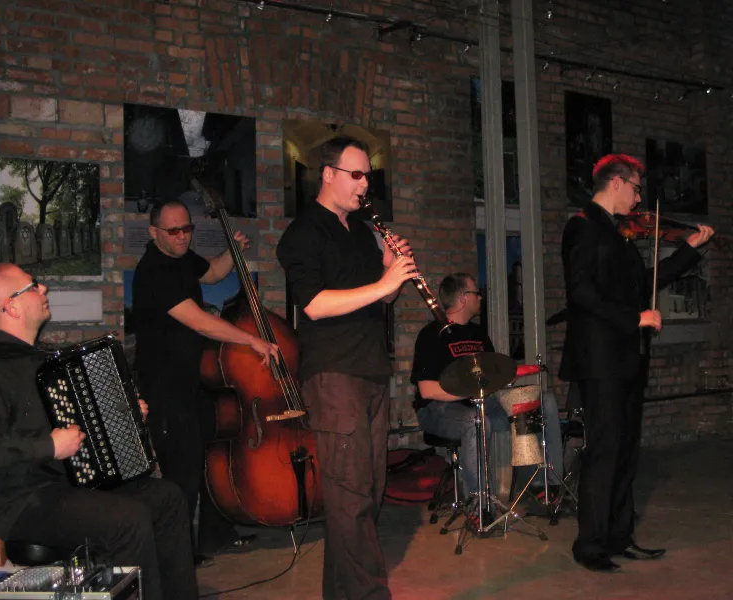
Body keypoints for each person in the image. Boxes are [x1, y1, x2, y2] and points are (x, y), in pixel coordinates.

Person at [0, 264, 197, 600]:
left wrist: (124, 413)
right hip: (21, 500)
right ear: (11, 306)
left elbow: (81, 422)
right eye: (32, 287)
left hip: (67, 486)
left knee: (167, 499)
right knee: (128, 519)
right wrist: (48, 447)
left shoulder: (41, 359)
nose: (43, 290)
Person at [277, 136, 418, 600]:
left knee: (367, 492)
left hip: (371, 368)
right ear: (328, 173)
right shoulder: (302, 234)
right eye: (355, 175)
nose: (364, 185)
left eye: (367, 177)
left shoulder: (361, 230)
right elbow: (314, 305)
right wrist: (384, 286)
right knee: (351, 494)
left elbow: (381, 298)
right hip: (334, 373)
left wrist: (390, 270)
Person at [560, 154, 714, 572]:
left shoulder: (620, 235)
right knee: (604, 452)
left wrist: (688, 249)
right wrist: (636, 318)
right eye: (636, 187)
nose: (639, 196)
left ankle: (618, 536)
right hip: (600, 360)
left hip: (627, 357)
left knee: (626, 452)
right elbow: (581, 293)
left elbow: (644, 282)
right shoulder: (583, 226)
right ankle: (590, 545)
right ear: (616, 183)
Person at [132, 199, 278, 563]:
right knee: (181, 470)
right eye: (173, 231)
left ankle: (214, 535)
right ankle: (179, 551)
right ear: (153, 233)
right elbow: (198, 320)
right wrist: (251, 338)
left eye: (187, 229)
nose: (182, 237)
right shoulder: (153, 270)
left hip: (194, 382)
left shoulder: (182, 258)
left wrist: (233, 251)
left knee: (208, 457)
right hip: (164, 389)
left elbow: (212, 273)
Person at [410, 273, 563, 519]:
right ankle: (479, 505)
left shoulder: (478, 334)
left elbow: (493, 378)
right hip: (439, 410)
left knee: (541, 401)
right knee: (476, 420)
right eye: (475, 292)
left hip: (482, 404)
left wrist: (512, 376)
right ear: (462, 298)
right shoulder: (431, 335)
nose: (480, 297)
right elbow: (427, 390)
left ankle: (541, 482)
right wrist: (474, 392)